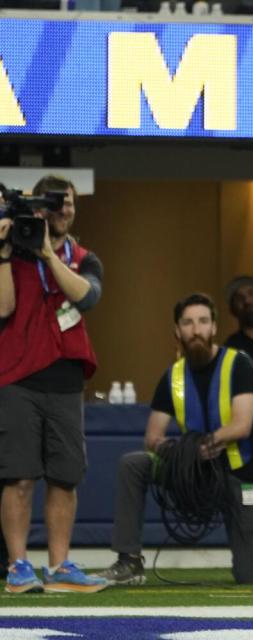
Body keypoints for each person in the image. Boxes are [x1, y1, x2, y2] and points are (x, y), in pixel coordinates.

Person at [96, 293, 253, 586]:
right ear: (177, 331)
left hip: (244, 474)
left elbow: (241, 425)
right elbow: (152, 437)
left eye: (203, 322)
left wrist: (202, 445)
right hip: (197, 471)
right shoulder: (173, 376)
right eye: (188, 323)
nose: (196, 330)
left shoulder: (238, 364)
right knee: (133, 464)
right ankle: (128, 562)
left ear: (214, 328)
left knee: (249, 575)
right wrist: (179, 452)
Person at [0, 175, 107, 594]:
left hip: (65, 379)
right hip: (18, 377)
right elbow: (4, 306)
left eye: (70, 205)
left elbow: (87, 297)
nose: (64, 211)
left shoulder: (83, 257)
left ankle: (60, 567)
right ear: (38, 209)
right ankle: (18, 566)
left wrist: (47, 254)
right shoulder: (13, 253)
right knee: (20, 476)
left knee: (65, 477)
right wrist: (5, 253)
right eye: (56, 204)